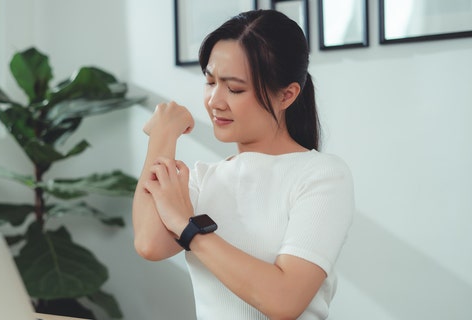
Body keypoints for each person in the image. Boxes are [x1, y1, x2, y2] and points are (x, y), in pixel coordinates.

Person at [131, 9, 354, 320]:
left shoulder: (322, 175)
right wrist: (162, 137)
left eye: (234, 88)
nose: (214, 101)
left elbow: (284, 300)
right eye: (210, 82)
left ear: (287, 94)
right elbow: (149, 244)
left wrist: (188, 227)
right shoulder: (203, 179)